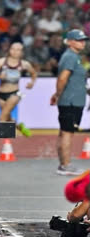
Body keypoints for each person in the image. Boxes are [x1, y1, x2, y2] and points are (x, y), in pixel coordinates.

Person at [0, 42, 37, 152]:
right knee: (7, 117)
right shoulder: (2, 62)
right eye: (13, 49)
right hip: (1, 94)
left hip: (14, 93)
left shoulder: (24, 64)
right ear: (9, 50)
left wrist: (32, 83)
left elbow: (34, 73)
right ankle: (19, 126)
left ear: (22, 52)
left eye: (18, 49)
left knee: (2, 117)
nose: (15, 51)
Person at [50, 29, 89, 176]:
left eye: (83, 40)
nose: (82, 42)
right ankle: (65, 165)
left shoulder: (74, 57)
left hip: (73, 100)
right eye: (79, 40)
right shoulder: (70, 57)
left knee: (64, 132)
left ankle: (63, 164)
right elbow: (62, 78)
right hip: (71, 101)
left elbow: (74, 80)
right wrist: (59, 94)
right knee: (67, 133)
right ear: (70, 42)